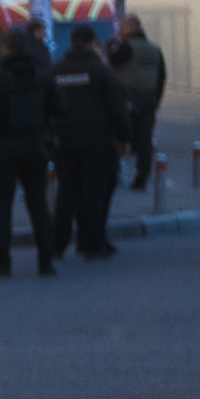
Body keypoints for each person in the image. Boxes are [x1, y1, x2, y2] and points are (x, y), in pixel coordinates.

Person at [0, 26, 65, 277]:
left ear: (4, 50)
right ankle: (45, 261)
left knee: (2, 209)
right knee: (38, 206)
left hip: (4, 151)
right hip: (35, 148)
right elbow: (58, 109)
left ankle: (2, 262)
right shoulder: (41, 77)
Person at [50, 22, 132, 260]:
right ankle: (90, 243)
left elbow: (48, 106)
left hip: (65, 142)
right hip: (97, 141)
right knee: (94, 193)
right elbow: (117, 108)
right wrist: (125, 136)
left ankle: (57, 244)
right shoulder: (101, 72)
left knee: (66, 193)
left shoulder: (57, 72)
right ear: (92, 44)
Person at [109, 14, 167, 191]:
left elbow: (109, 62)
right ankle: (141, 180)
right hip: (148, 100)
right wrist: (155, 100)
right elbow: (161, 77)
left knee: (117, 138)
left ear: (128, 29)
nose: (119, 30)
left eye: (121, 27)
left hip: (127, 100)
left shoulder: (125, 48)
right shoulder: (155, 50)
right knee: (144, 141)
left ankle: (114, 176)